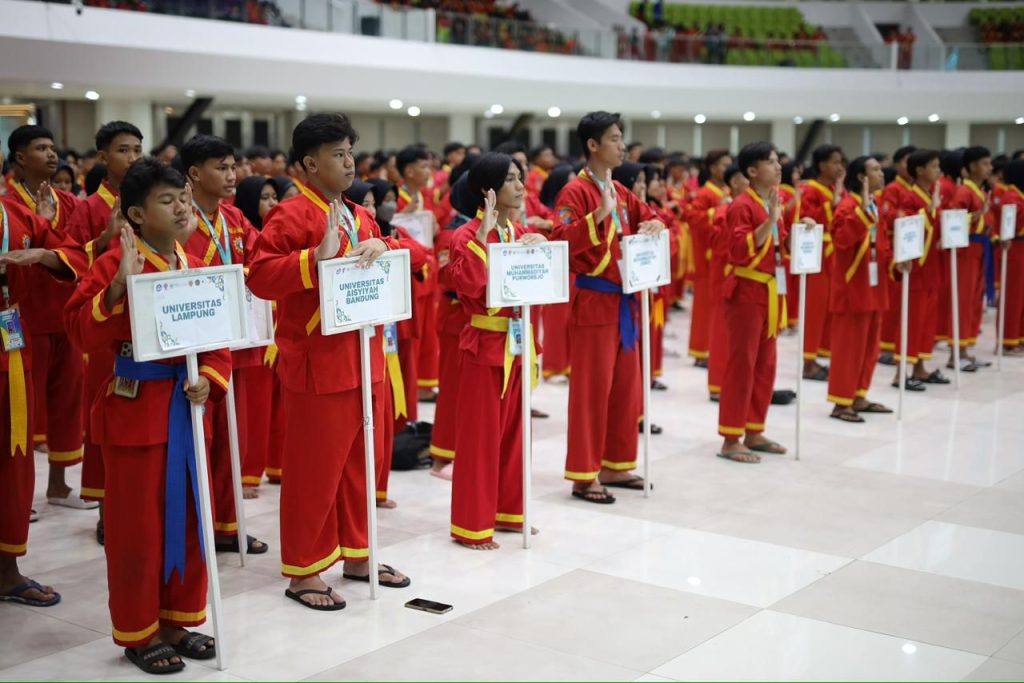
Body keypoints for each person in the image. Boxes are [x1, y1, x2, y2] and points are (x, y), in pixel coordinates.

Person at [64, 158, 228, 674]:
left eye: (183, 197)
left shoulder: (194, 263)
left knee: (188, 522)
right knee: (137, 529)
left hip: (186, 409)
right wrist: (116, 288)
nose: (182, 208)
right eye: (166, 201)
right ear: (135, 214)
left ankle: (179, 618)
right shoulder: (113, 261)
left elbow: (216, 336)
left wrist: (211, 378)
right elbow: (78, 334)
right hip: (135, 414)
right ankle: (139, 630)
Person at [247, 113, 410, 610]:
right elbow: (258, 276)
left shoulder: (358, 216)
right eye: (338, 154)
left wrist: (384, 242)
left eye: (350, 153)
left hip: (363, 359)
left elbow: (404, 254)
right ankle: (304, 570)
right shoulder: (293, 214)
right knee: (315, 471)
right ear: (309, 163)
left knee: (360, 464)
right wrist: (308, 261)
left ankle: (359, 553)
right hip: (317, 364)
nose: (348, 162)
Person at [552, 111, 665, 502]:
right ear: (593, 145)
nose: (622, 145)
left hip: (626, 302)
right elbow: (561, 240)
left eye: (622, 138)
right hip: (595, 301)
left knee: (625, 388)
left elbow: (650, 216)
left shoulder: (621, 190)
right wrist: (597, 216)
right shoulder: (575, 192)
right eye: (614, 139)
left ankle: (616, 465)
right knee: (591, 390)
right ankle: (584, 474)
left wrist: (655, 224)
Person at [448, 153, 546, 548]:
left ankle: (508, 512)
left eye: (521, 178)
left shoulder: (518, 232)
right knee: (480, 439)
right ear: (488, 190)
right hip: (484, 347)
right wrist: (481, 234)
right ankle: (472, 524)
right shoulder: (465, 234)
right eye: (511, 179)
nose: (521, 186)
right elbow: (468, 285)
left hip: (518, 345)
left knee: (514, 434)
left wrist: (539, 248)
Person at [179, 136, 270, 553]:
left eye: (234, 166)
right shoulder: (178, 219)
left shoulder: (234, 219)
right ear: (195, 173)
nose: (233, 175)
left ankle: (228, 526)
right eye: (222, 167)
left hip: (235, 340)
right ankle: (198, 527)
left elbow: (259, 259)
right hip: (190, 346)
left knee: (233, 438)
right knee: (202, 440)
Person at [0, 190, 79, 611]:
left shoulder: (16, 215)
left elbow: (67, 253)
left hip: (10, 350)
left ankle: (7, 569)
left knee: (13, 461)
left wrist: (41, 257)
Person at [5, 125, 89, 508]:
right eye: (41, 148)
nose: (52, 155)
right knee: (27, 409)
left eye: (54, 148)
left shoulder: (69, 202)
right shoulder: (8, 204)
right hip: (25, 321)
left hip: (65, 316)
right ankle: (19, 496)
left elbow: (74, 251)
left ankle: (58, 484)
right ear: (20, 157)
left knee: (67, 403)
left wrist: (48, 227)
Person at [717, 142, 811, 462]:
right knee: (742, 365)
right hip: (746, 292)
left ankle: (754, 430)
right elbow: (739, 250)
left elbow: (777, 246)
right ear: (753, 171)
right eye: (771, 162)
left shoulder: (773, 200)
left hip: (770, 292)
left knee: (765, 364)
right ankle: (731, 437)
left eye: (777, 161)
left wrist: (801, 230)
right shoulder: (741, 205)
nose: (778, 167)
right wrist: (771, 220)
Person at [827, 156, 894, 422]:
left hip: (874, 285)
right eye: (875, 170)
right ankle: (841, 402)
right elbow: (841, 239)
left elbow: (883, 243)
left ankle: (859, 394)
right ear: (861, 178)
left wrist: (896, 265)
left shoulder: (876, 206)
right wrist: (862, 213)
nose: (882, 173)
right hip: (853, 288)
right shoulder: (847, 206)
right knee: (849, 348)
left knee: (869, 347)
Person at [427, 157, 478, 479]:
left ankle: (461, 450)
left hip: (473, 320)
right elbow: (446, 275)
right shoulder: (452, 232)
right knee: (452, 390)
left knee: (468, 392)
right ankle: (441, 456)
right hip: (455, 318)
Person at [890, 149, 949, 390]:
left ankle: (920, 367)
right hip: (916, 269)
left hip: (932, 268)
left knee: (926, 321)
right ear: (920, 170)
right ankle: (899, 372)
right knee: (911, 320)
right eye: (934, 166)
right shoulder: (910, 198)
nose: (938, 171)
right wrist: (932, 210)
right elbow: (909, 228)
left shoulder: (930, 194)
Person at [395, 145, 440, 403]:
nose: (428, 171)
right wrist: (404, 217)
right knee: (414, 335)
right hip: (411, 275)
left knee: (427, 334)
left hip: (427, 271)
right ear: (409, 171)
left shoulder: (424, 196)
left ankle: (425, 383)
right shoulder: (399, 199)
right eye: (423, 166)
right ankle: (414, 386)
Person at [799, 144, 846, 381]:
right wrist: (832, 204)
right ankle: (807, 361)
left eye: (840, 162)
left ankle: (817, 356)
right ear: (822, 165)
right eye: (835, 162)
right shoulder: (811, 190)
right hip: (816, 254)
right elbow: (806, 219)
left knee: (828, 307)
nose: (839, 167)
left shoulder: (838, 189)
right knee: (814, 309)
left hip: (834, 256)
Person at [686, 149, 732, 368]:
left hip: (724, 256)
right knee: (705, 305)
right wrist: (719, 211)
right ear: (713, 168)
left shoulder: (727, 190)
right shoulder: (706, 193)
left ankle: (715, 347)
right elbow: (693, 218)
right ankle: (700, 351)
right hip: (707, 256)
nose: (728, 169)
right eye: (724, 164)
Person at [949, 146, 994, 369]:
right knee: (963, 301)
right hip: (965, 250)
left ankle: (965, 348)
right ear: (973, 166)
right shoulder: (964, 192)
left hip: (978, 250)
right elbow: (952, 222)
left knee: (974, 301)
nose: (990, 168)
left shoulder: (980, 190)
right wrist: (972, 218)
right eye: (985, 163)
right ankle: (956, 352)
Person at [706, 165, 747, 401]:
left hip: (741, 277)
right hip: (725, 275)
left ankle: (733, 382)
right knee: (722, 329)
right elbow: (723, 247)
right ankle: (718, 384)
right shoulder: (725, 210)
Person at [877, 145, 916, 365]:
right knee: (893, 300)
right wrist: (906, 215)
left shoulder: (914, 189)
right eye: (905, 162)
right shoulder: (893, 189)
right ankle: (888, 346)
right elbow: (888, 213)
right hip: (894, 245)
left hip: (909, 245)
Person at [538, 164, 575, 382]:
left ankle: (567, 364)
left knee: (568, 318)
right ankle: (553, 366)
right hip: (552, 269)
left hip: (569, 266)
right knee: (555, 320)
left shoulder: (568, 207)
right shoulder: (549, 208)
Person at [1000, 160, 1024, 354]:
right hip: (1015, 246)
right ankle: (1009, 339)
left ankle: (1020, 336)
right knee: (1014, 296)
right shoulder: (1011, 195)